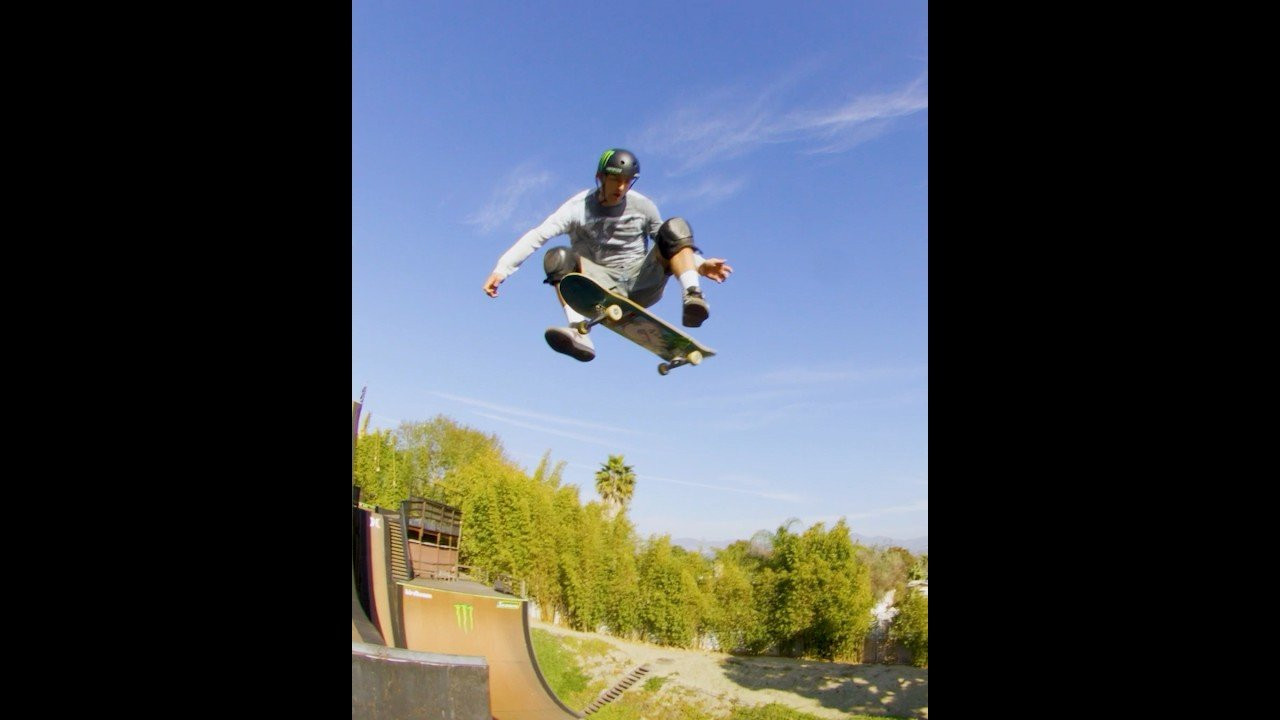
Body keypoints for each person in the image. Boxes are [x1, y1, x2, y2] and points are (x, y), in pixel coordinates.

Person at [482, 148, 733, 362]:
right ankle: (579, 333)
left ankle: (693, 296)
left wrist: (700, 265)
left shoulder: (643, 206)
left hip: (641, 279)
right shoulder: (577, 208)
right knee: (556, 257)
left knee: (675, 226)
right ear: (600, 177)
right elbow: (538, 235)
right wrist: (502, 269)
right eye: (615, 180)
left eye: (627, 180)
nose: (621, 187)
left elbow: (669, 243)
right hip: (598, 282)